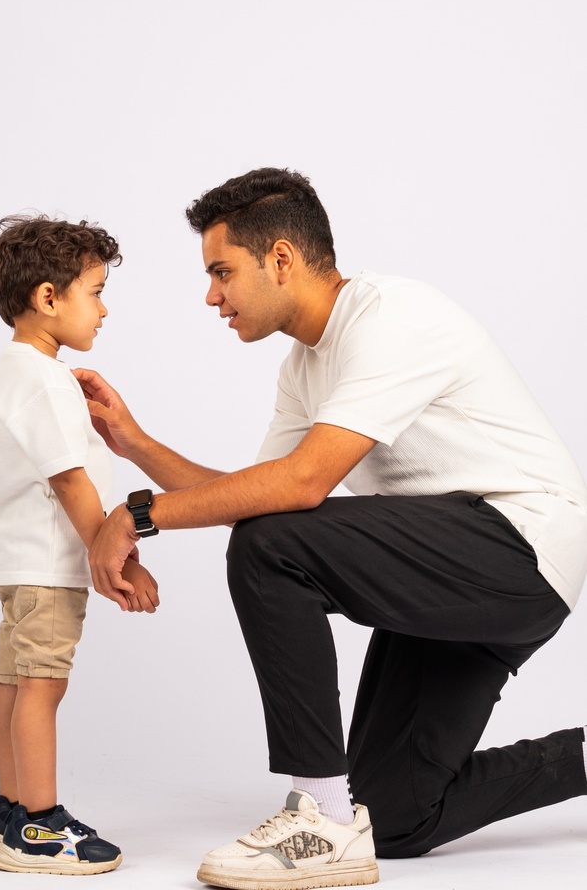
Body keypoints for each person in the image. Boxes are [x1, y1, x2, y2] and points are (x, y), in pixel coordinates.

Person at [75, 167, 587, 890]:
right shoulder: (304, 366)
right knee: (396, 818)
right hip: (451, 579)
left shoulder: (392, 317)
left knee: (270, 548)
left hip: (518, 548)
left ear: (280, 258)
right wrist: (137, 447)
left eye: (221, 272)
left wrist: (134, 516)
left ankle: (315, 819)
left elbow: (300, 486)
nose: (211, 296)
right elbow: (256, 497)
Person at [0, 215, 159, 876]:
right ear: (48, 298)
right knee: (43, 689)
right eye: (95, 291)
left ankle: (9, 810)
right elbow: (70, 480)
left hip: (18, 561)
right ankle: (40, 824)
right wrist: (116, 557)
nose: (104, 308)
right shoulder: (47, 378)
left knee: (15, 684)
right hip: (50, 566)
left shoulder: (17, 368)